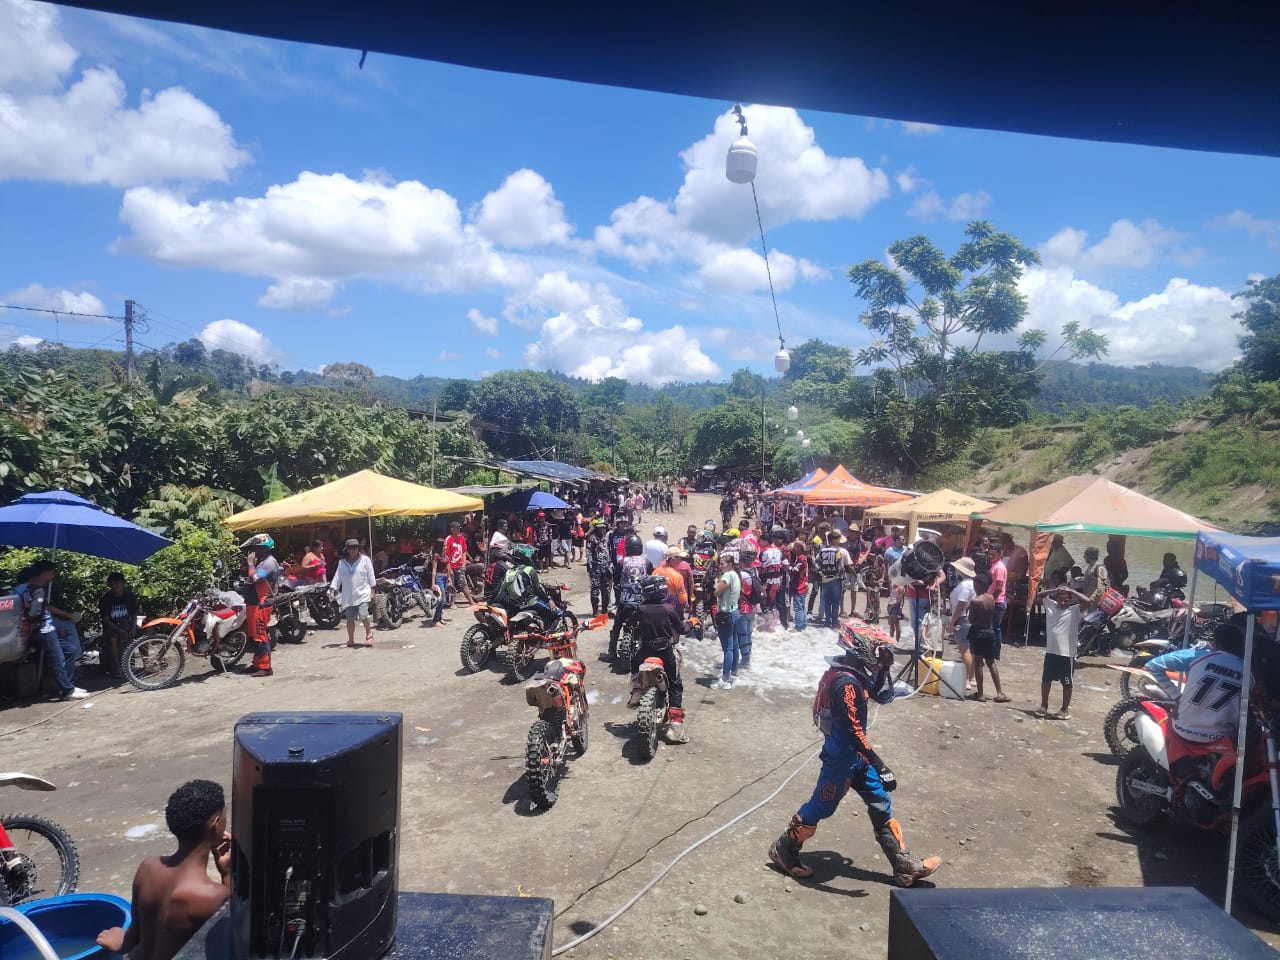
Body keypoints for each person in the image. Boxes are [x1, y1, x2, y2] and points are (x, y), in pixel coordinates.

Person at [768, 624, 941, 887]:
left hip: (858, 757)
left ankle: (903, 866)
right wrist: (881, 766)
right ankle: (784, 848)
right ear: (861, 648)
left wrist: (884, 668)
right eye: (877, 650)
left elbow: (883, 696)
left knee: (880, 800)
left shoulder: (854, 673)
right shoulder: (845, 683)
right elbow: (853, 731)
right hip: (841, 758)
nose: (879, 653)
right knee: (822, 806)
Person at [97, 779, 231, 960]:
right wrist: (227, 874)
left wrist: (122, 941)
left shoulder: (147, 868)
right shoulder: (214, 895)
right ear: (216, 824)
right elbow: (236, 934)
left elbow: (134, 937)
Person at [1147, 622, 1247, 743]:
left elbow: (1152, 665)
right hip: (1220, 736)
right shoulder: (1247, 670)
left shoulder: (1197, 656)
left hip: (1182, 729)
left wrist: (1177, 697)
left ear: (1215, 642)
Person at [627, 574, 690, 743]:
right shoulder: (669, 609)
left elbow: (630, 624)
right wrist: (691, 623)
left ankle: (636, 690)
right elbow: (682, 629)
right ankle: (675, 726)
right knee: (675, 684)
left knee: (634, 663)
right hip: (666, 653)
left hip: (646, 651)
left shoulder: (640, 609)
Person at [15, 562, 86, 700]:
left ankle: (67, 685)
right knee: (58, 660)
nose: (53, 576)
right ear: (44, 573)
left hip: (48, 629)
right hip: (44, 630)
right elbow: (35, 612)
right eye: (52, 572)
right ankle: (67, 691)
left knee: (70, 650)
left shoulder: (33, 589)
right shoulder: (37, 591)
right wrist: (35, 623)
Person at [1036, 576, 1088, 719]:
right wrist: (1056, 590)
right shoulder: (1051, 606)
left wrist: (1071, 591)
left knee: (1067, 683)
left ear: (1071, 601)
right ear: (1056, 598)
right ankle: (1044, 705)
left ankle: (1064, 710)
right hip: (1051, 651)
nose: (1063, 603)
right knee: (1046, 679)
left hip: (1067, 654)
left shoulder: (1075, 610)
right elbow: (1039, 595)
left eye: (1066, 600)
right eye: (1061, 600)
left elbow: (1087, 601)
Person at [239, 534, 278, 677]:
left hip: (261, 604)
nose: (253, 551)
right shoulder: (261, 561)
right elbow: (247, 576)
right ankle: (257, 664)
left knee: (260, 635)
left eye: (255, 548)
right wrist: (247, 565)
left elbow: (255, 578)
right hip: (253, 603)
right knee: (253, 636)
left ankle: (265, 668)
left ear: (263, 549)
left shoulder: (269, 562)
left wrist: (250, 564)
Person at [967, 574, 1009, 703]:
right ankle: (1000, 692)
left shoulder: (976, 601)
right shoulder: (991, 598)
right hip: (990, 632)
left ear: (978, 585)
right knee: (991, 662)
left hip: (978, 632)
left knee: (978, 663)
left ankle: (980, 693)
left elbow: (971, 619)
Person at [330, 538, 376, 648]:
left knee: (363, 614)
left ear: (358, 548)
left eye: (355, 547)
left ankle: (369, 633)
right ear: (347, 550)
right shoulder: (342, 563)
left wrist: (373, 591)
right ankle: (350, 640)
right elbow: (338, 576)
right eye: (350, 548)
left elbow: (371, 576)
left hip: (363, 592)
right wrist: (334, 588)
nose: (353, 550)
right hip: (348, 595)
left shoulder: (365, 560)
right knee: (349, 619)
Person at [610, 534, 648, 661]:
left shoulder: (623, 561)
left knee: (617, 625)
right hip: (641, 600)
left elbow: (616, 578)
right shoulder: (646, 561)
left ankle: (611, 651)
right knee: (647, 624)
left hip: (625, 600)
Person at [98, 571, 139, 679]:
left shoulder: (129, 596)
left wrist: (134, 627)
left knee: (144, 633)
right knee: (112, 640)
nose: (116, 585)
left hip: (128, 623)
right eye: (114, 583)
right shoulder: (106, 599)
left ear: (123, 584)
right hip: (114, 626)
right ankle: (116, 667)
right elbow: (106, 620)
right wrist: (121, 632)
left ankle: (148, 662)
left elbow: (134, 614)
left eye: (119, 583)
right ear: (110, 585)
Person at [945, 557, 977, 691]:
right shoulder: (972, 584)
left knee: (964, 650)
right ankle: (972, 677)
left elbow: (961, 604)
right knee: (970, 650)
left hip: (962, 618)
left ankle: (967, 679)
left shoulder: (965, 585)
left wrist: (952, 621)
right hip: (969, 618)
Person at [713, 550, 742, 689]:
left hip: (726, 614)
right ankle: (734, 674)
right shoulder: (735, 575)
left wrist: (716, 584)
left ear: (730, 564)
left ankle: (725, 679)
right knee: (734, 646)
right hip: (735, 612)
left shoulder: (727, 576)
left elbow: (717, 592)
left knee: (728, 648)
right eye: (720, 564)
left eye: (722, 564)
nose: (720, 566)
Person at [816, 531, 852, 629]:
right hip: (836, 579)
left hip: (825, 579)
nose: (839, 541)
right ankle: (834, 622)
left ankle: (827, 622)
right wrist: (840, 575)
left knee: (827, 602)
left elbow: (816, 562)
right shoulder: (838, 552)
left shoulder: (822, 551)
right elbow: (840, 566)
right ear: (834, 540)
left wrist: (821, 572)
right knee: (835, 602)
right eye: (838, 539)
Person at [585, 520, 613, 616]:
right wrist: (590, 567)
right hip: (595, 568)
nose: (602, 530)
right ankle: (595, 610)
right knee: (595, 590)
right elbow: (588, 554)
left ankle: (605, 609)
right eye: (600, 528)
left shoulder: (605, 538)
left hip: (605, 568)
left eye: (603, 528)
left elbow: (607, 552)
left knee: (606, 590)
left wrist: (610, 565)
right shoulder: (592, 539)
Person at [444, 521, 475, 606]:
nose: (458, 530)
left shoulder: (461, 538)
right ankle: (452, 603)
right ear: (452, 529)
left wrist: (464, 563)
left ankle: (471, 601)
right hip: (451, 565)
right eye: (457, 528)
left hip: (459, 565)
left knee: (463, 583)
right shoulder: (448, 540)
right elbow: (446, 556)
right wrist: (449, 569)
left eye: (459, 528)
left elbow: (464, 551)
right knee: (451, 584)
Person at [987, 542, 1009, 649]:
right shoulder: (994, 565)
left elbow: (999, 587)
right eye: (989, 554)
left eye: (993, 554)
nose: (990, 556)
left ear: (1000, 554)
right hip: (995, 600)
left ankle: (995, 652)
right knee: (993, 627)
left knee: (995, 628)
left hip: (997, 601)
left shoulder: (999, 567)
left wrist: (992, 600)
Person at [787, 540, 809, 632]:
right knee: (802, 606)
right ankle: (802, 624)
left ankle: (799, 626)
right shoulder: (800, 558)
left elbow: (796, 569)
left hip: (799, 586)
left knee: (798, 607)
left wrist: (787, 567)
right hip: (802, 585)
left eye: (795, 547)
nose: (793, 549)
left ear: (799, 548)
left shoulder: (801, 559)